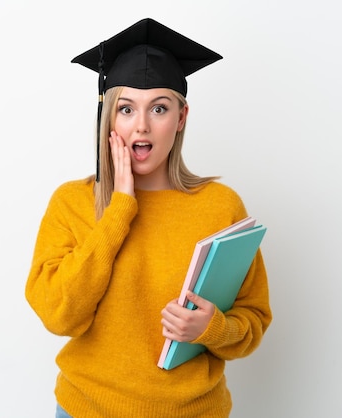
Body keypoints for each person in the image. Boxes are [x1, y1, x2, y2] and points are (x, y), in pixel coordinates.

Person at [25, 18, 272, 418]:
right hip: (86, 410)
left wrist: (212, 329)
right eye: (126, 109)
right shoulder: (71, 203)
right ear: (109, 118)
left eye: (159, 108)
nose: (141, 124)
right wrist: (119, 209)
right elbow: (58, 315)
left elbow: (253, 318)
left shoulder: (220, 207)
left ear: (181, 117)